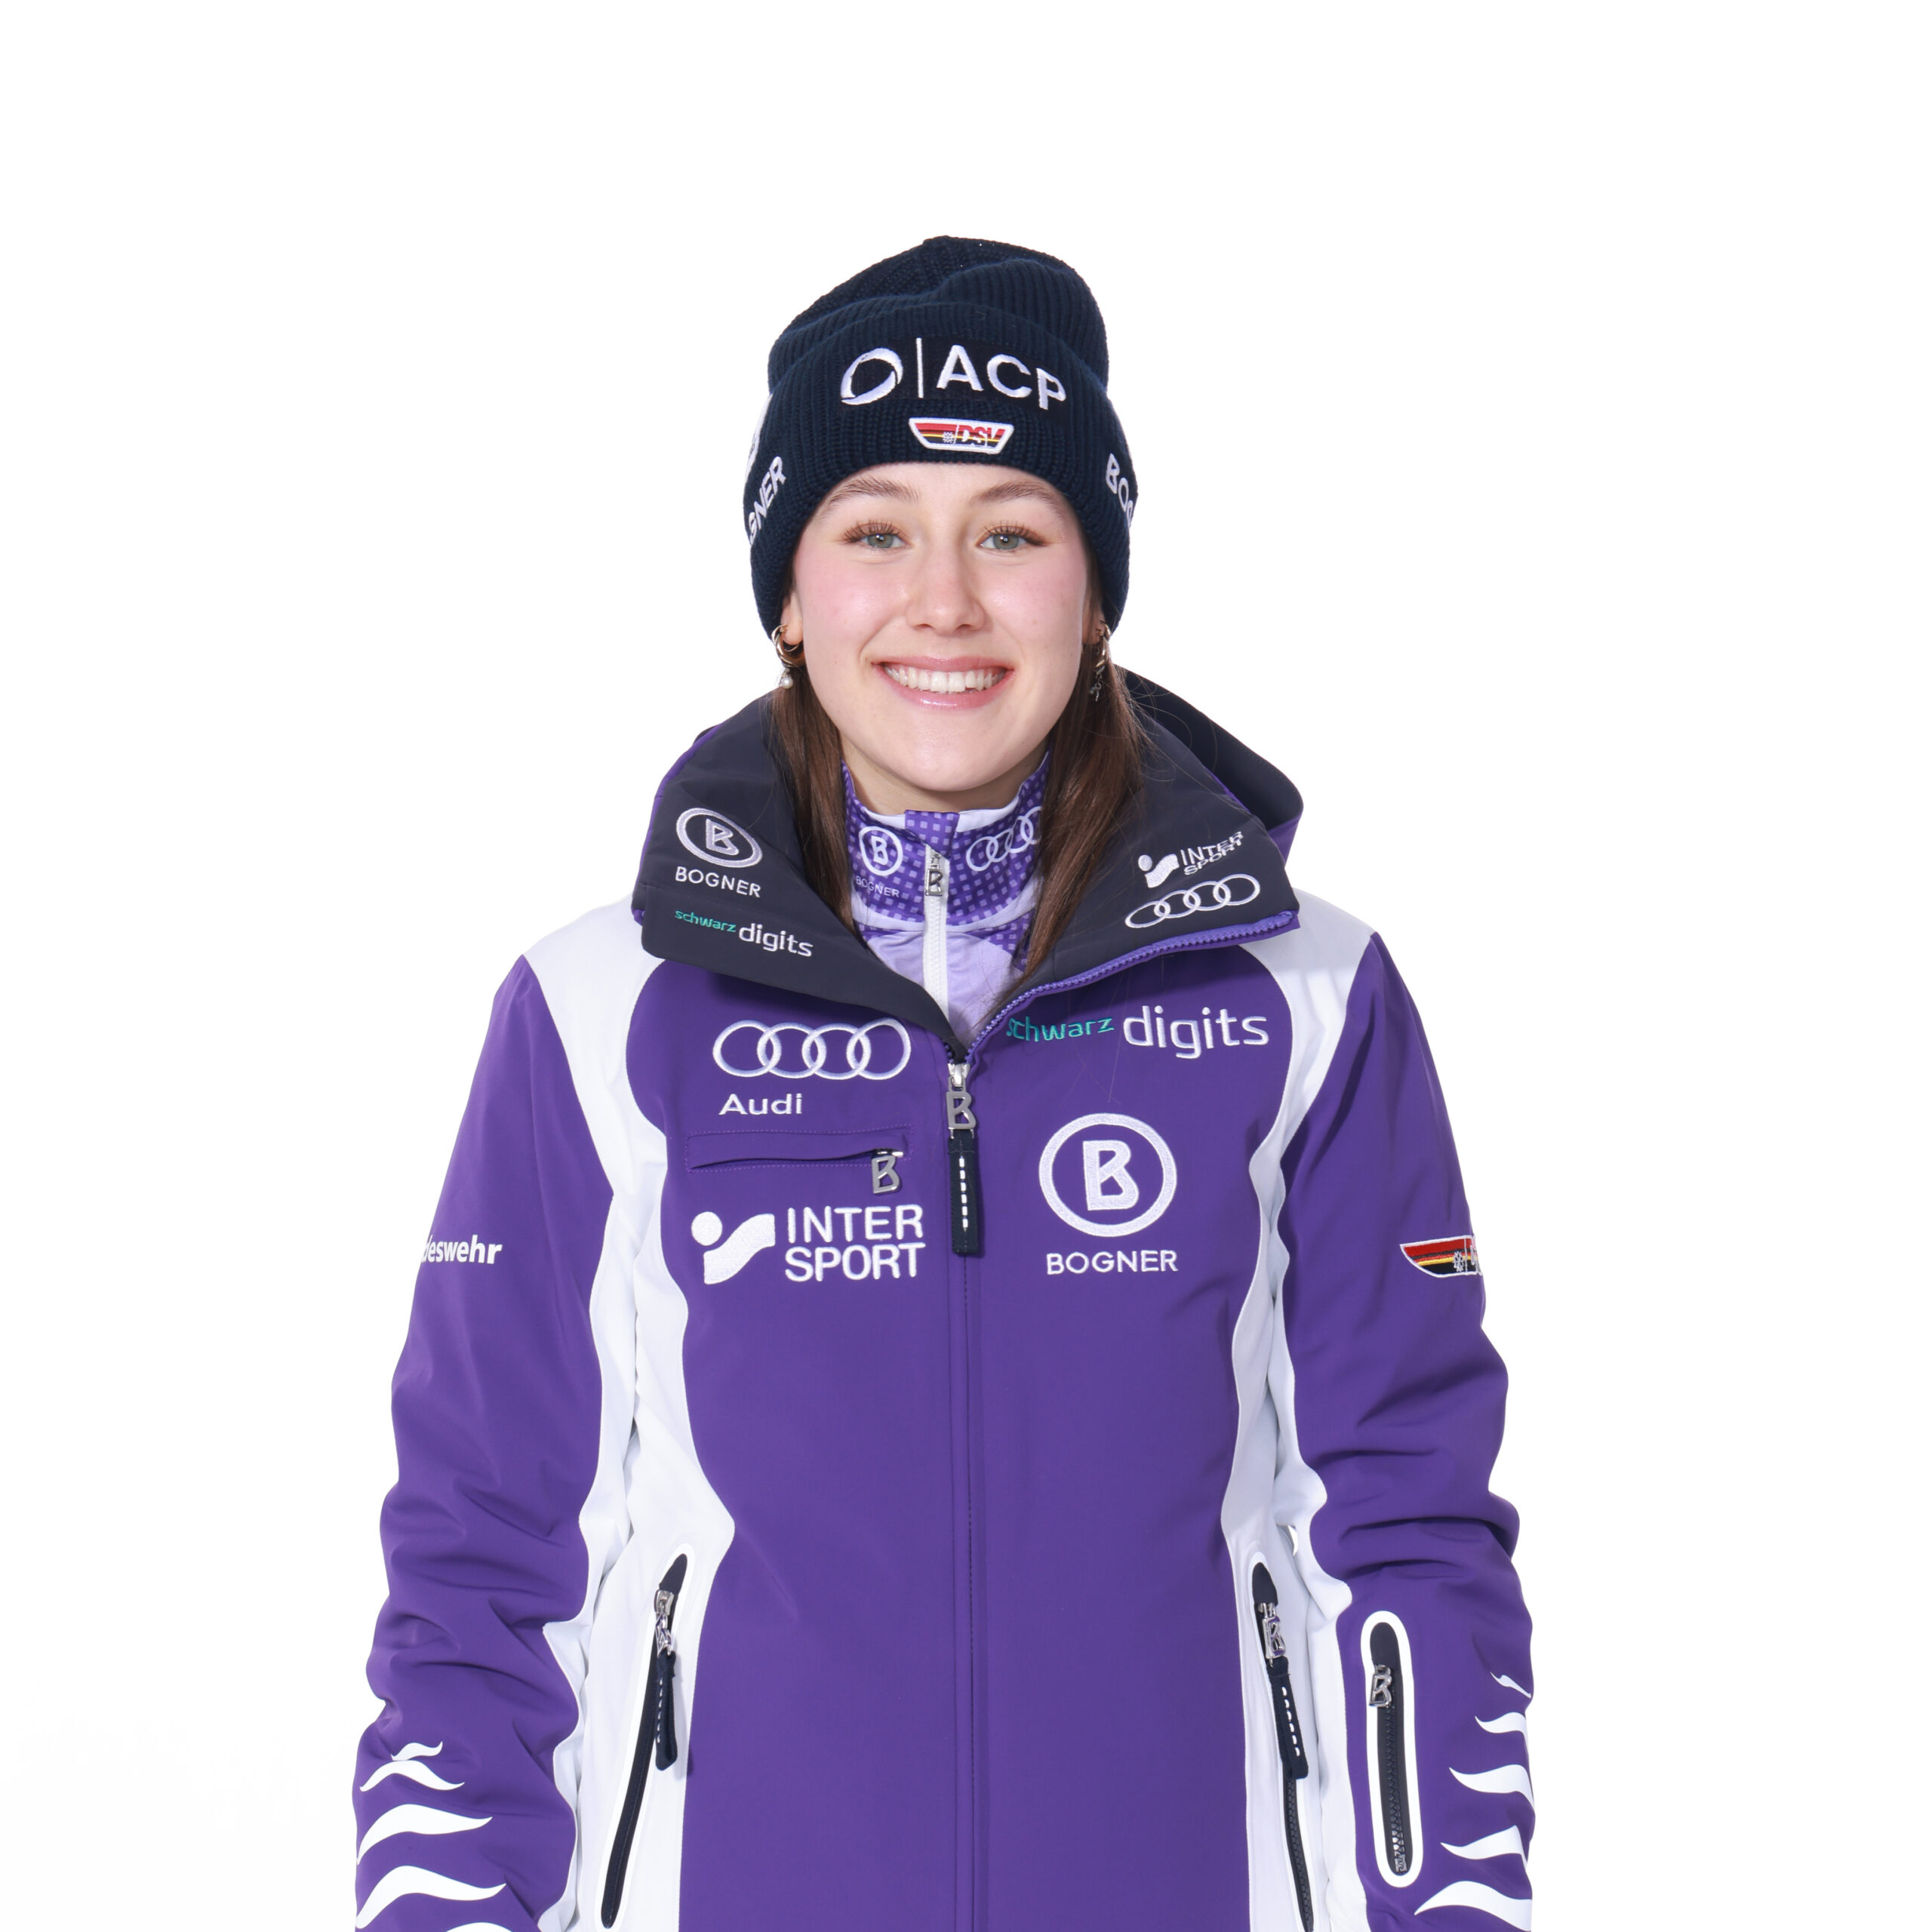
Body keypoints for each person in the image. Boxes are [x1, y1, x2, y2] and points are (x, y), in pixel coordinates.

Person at [353, 236, 1534, 1932]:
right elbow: (477, 1555)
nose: (944, 603)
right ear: (787, 591)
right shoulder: (598, 1009)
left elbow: (1410, 1529)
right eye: (874, 530)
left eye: (1011, 532)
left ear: (1095, 586)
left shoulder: (1307, 996)